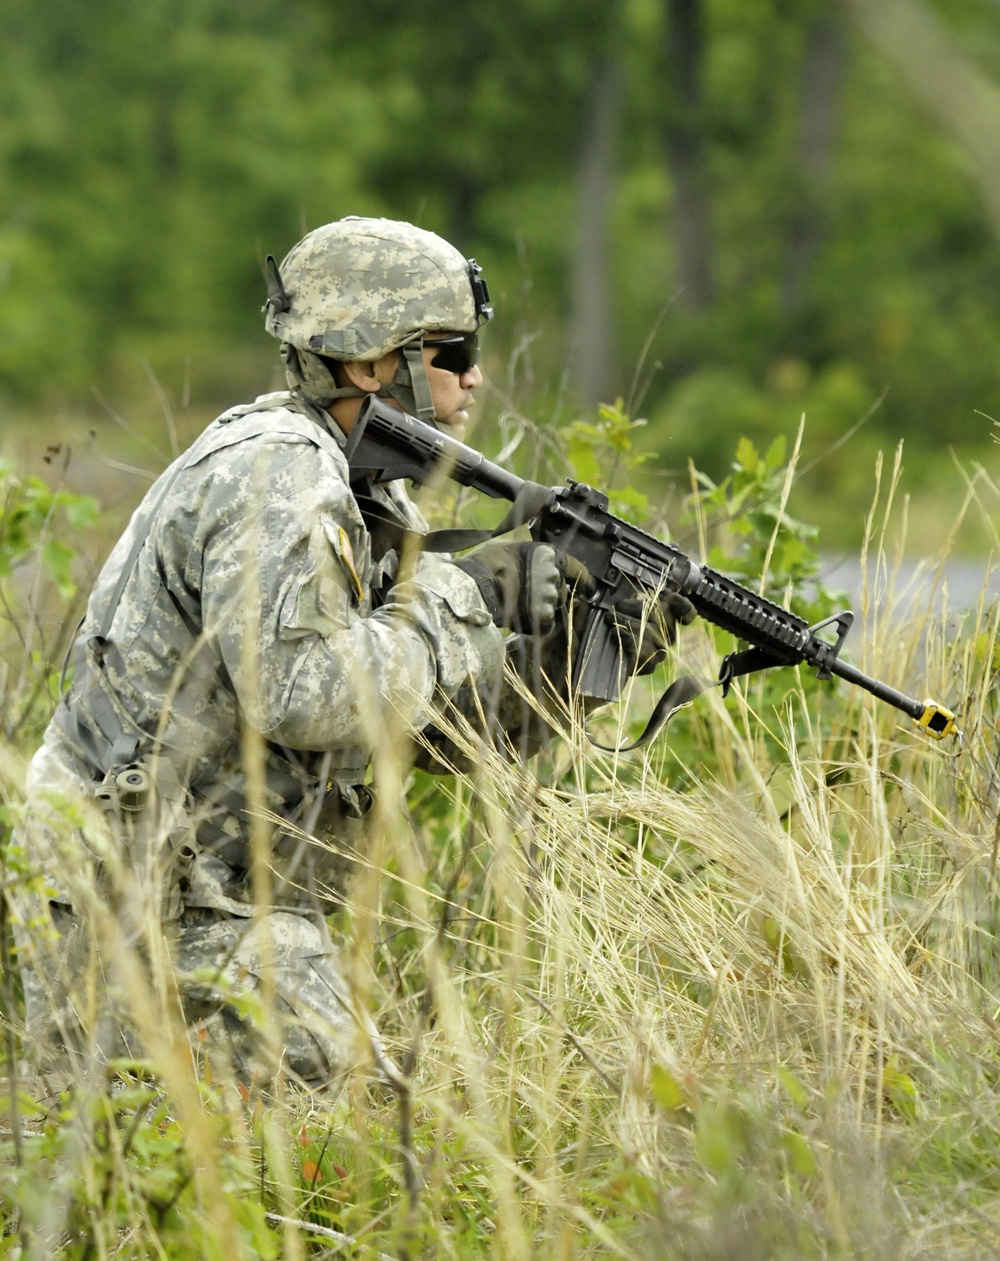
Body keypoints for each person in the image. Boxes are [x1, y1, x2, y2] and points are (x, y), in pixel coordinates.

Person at [12, 217, 693, 1091]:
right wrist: (467, 592)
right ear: (372, 363)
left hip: (211, 888)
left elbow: (430, 729)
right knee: (331, 1108)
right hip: (138, 891)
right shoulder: (277, 472)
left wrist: (584, 660)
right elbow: (302, 694)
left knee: (303, 1132)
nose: (476, 374)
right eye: (454, 349)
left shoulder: (366, 491)